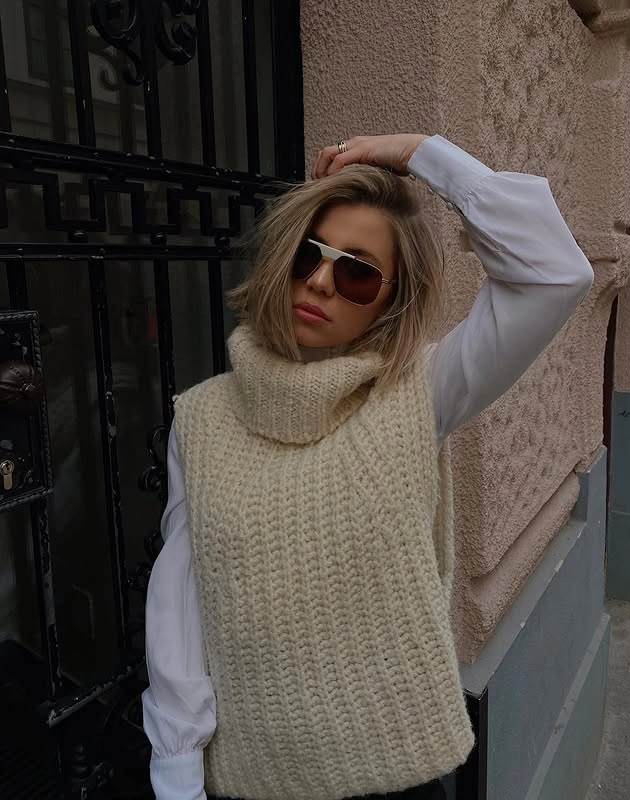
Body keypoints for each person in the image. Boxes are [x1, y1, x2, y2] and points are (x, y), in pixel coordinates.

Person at [142, 133, 594, 800]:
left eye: (358, 272)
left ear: (391, 300)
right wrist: (176, 772)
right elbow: (183, 597)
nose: (321, 281)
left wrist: (418, 153)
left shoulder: (422, 391)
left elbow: (555, 273)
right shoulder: (204, 418)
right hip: (254, 779)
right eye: (307, 256)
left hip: (395, 780)